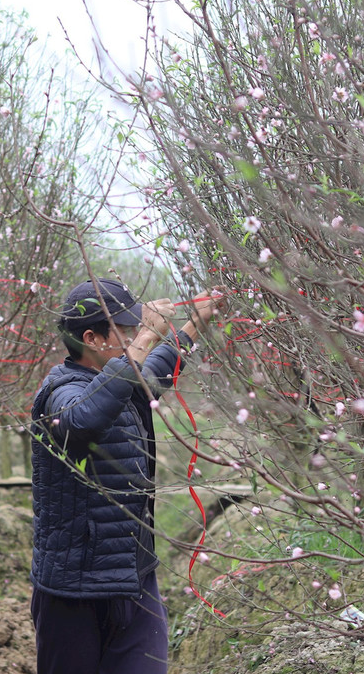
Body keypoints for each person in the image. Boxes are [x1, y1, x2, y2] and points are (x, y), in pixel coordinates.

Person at [29, 277, 224, 674]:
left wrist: (195, 325)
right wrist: (149, 334)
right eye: (128, 329)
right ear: (92, 338)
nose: (138, 335)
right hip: (75, 588)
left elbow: (151, 369)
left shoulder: (122, 378)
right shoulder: (59, 391)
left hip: (134, 579)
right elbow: (81, 420)